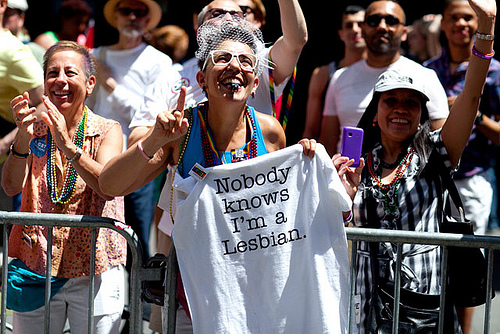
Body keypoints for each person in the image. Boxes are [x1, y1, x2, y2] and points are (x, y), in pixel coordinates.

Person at [99, 16, 319, 333]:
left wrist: (308, 164)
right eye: (223, 58)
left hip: (255, 285)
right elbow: (110, 185)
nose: (235, 66)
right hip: (192, 285)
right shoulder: (181, 131)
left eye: (246, 61)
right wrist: (155, 139)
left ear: (255, 83)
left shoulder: (269, 133)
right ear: (202, 79)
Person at [332, 0, 496, 332]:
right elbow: (335, 229)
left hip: (424, 315)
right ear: (375, 113)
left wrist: (486, 29)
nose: (401, 109)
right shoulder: (356, 166)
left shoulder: (437, 154)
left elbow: (471, 97)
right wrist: (343, 198)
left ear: (422, 113)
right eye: (391, 100)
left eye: (412, 102)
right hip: (366, 312)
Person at [2, 41, 127, 334]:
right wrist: (22, 136)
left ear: (90, 83)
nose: (60, 80)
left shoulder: (108, 130)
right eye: (52, 73)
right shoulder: (34, 131)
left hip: (95, 271)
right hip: (38, 267)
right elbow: (10, 187)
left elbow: (107, 187)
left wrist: (68, 145)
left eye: (70, 72)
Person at [423, 0, 500, 331]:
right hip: (429, 180)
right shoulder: (426, 70)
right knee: (430, 265)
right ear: (443, 23)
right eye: (454, 17)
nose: (461, 24)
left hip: (470, 181)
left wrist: (472, 114)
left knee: (464, 267)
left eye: (469, 17)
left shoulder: (496, 74)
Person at [89, 0, 179, 261]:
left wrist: (111, 86)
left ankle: (137, 298)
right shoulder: (96, 55)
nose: (132, 17)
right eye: (126, 11)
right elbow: (87, 107)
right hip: (98, 158)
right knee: (97, 230)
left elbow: (150, 117)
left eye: (139, 12)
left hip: (138, 157)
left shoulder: (159, 61)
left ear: (148, 19)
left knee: (137, 233)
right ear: (115, 17)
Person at [319, 0, 449, 157]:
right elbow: (328, 142)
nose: (382, 26)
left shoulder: (425, 76)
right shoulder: (340, 77)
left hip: (406, 179)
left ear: (404, 33)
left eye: (391, 21)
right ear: (363, 28)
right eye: (374, 21)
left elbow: (443, 142)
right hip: (346, 177)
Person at [0, 0, 44, 212]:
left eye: (12, 12)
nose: (9, 16)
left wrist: (7, 142)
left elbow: (46, 101)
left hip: (7, 164)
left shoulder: (12, 51)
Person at [302, 5, 366, 140]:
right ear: (340, 34)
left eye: (361, 24)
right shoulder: (323, 74)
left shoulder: (383, 72)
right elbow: (311, 130)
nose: (355, 30)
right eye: (349, 25)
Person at [2, 0, 45, 65]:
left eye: (7, 14)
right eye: (1, 14)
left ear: (21, 18)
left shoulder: (35, 52)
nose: (2, 18)